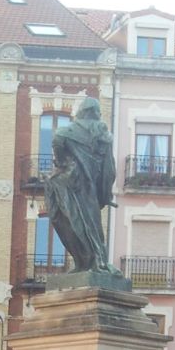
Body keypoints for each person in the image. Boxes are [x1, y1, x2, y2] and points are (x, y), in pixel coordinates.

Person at [44, 96, 118, 275]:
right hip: (85, 186)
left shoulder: (66, 131)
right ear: (96, 114)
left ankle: (84, 262)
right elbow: (109, 170)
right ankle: (93, 262)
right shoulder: (102, 136)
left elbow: (57, 140)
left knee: (67, 222)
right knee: (90, 225)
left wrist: (62, 163)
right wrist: (105, 194)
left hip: (63, 184)